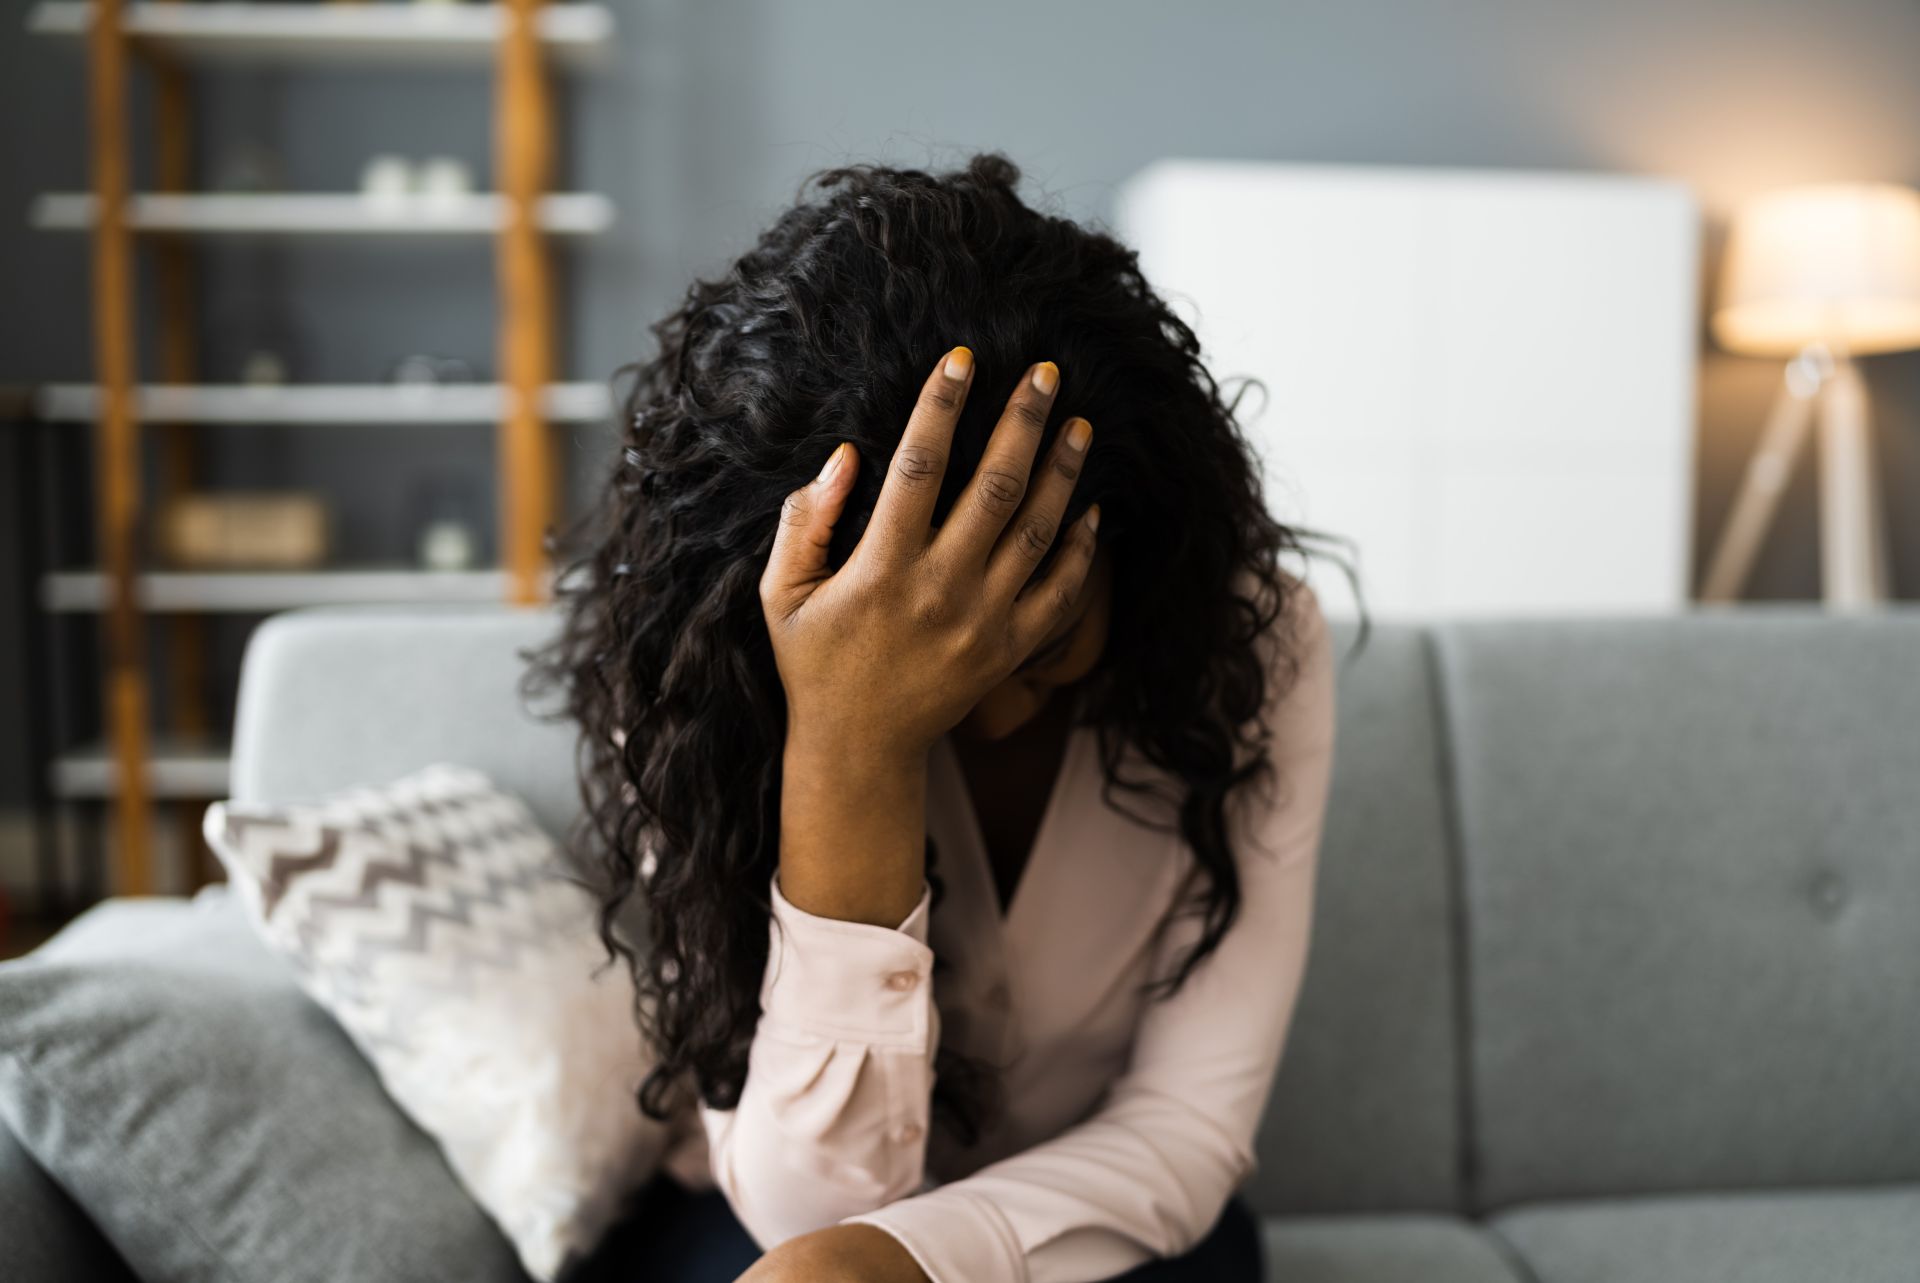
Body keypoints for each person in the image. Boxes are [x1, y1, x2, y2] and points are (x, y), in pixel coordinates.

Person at [529, 152, 1364, 1283]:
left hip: (1102, 1220)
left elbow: (1186, 1124)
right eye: (943, 672)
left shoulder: (1255, 642)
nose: (998, 706)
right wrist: (852, 741)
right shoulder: (699, 677)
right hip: (761, 1220)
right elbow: (806, 1208)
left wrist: (911, 1262)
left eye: (1047, 641)